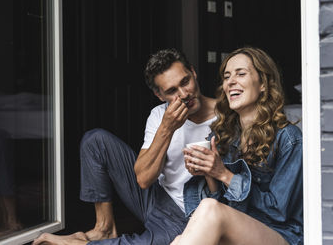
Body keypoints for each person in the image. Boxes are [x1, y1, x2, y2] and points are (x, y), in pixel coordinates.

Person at [33, 48, 216, 245]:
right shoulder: (159, 115)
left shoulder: (226, 116)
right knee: (96, 141)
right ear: (159, 95)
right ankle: (104, 228)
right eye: (172, 91)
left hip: (184, 217)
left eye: (185, 81)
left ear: (193, 72)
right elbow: (144, 179)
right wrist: (167, 128)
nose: (184, 93)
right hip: (155, 197)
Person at [171, 47, 303, 245]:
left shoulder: (288, 138)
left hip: (280, 234)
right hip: (239, 230)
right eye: (226, 76)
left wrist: (224, 174)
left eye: (241, 73)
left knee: (207, 209)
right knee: (180, 239)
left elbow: (279, 211)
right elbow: (221, 205)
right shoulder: (225, 136)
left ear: (263, 84)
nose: (230, 81)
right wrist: (209, 171)